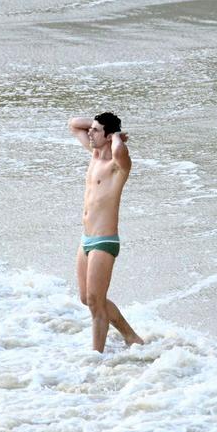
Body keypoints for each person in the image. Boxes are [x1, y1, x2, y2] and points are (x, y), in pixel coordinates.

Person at [68, 112, 144, 352]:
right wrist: (98, 124)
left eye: (96, 131)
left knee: (95, 303)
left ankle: (95, 357)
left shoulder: (117, 165)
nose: (90, 133)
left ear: (109, 136)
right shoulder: (94, 155)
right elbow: (74, 125)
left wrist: (118, 138)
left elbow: (121, 152)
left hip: (104, 241)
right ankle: (130, 336)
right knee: (86, 299)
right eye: (92, 129)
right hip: (86, 239)